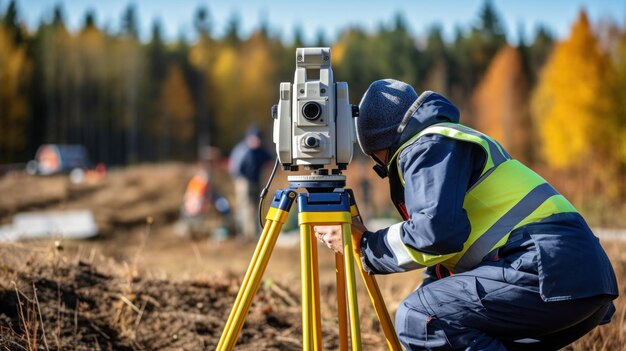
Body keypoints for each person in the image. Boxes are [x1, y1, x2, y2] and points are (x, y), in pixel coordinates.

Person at [313, 79, 618, 350]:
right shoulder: (449, 141)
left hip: (545, 269)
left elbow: (436, 233)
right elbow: (449, 254)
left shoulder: (427, 145)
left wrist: (366, 244)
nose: (383, 170)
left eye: (379, 163)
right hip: (577, 277)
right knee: (439, 317)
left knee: (420, 318)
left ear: (382, 145)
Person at [177, 146, 232, 240]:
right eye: (210, 161)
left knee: (224, 206)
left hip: (204, 200)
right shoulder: (201, 177)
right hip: (197, 203)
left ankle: (225, 227)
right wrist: (205, 202)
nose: (211, 164)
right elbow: (196, 195)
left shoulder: (210, 175)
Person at [229, 126, 273, 239]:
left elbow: (270, 160)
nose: (257, 141)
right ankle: (246, 234)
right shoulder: (242, 150)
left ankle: (256, 233)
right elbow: (234, 168)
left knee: (257, 207)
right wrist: (240, 180)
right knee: (245, 207)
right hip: (243, 182)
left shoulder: (261, 151)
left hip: (256, 181)